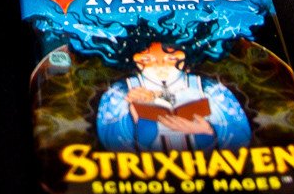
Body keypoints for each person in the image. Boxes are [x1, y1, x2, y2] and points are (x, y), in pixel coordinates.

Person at [96, 41, 251, 152]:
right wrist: (137, 119)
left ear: (183, 59)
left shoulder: (208, 88)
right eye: (149, 59)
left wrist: (206, 132)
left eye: (170, 59)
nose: (160, 66)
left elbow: (239, 131)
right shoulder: (120, 91)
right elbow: (109, 138)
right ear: (137, 61)